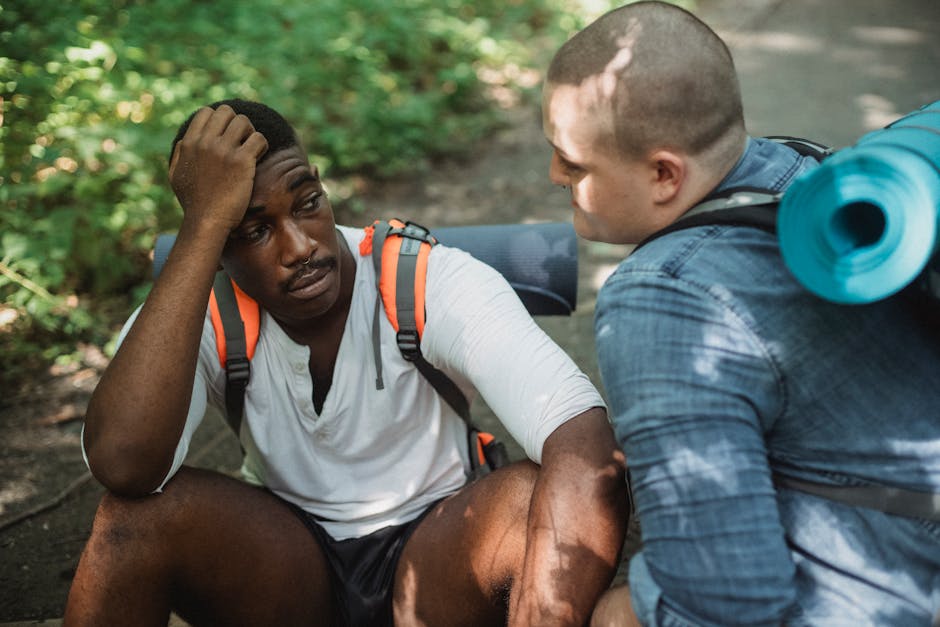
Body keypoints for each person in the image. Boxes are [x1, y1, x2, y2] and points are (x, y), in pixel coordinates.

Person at [64, 99, 629, 626]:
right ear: (219, 249)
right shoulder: (201, 312)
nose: (301, 246)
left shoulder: (422, 279)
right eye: (255, 230)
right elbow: (125, 466)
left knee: (537, 493)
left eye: (308, 202)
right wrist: (203, 226)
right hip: (287, 563)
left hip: (439, 552)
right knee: (131, 523)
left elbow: (583, 441)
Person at [542, 2, 940, 626]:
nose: (553, 174)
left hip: (901, 585)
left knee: (612, 615)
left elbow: (727, 606)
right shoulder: (804, 173)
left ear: (664, 174)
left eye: (573, 162)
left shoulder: (662, 295)